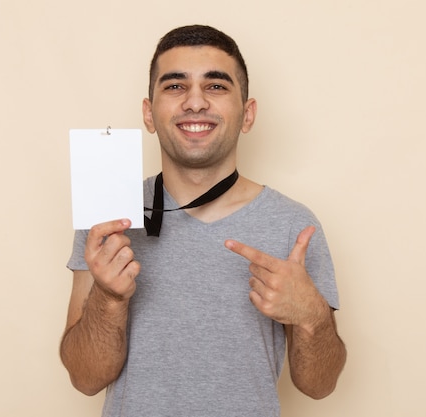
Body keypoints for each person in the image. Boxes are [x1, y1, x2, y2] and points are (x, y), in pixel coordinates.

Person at [60, 24, 346, 417]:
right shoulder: (109, 220)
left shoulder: (293, 224)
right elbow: (84, 378)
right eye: (175, 86)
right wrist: (108, 298)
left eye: (216, 86)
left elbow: (320, 385)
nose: (195, 102)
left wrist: (312, 315)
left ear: (247, 114)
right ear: (148, 113)